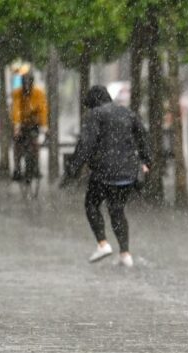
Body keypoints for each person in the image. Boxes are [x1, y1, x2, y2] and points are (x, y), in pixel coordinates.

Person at [61, 86, 151, 268]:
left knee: (91, 204)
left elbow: (86, 144)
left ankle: (102, 244)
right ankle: (125, 254)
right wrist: (146, 161)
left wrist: (72, 170)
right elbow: (142, 135)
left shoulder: (95, 115)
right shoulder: (127, 112)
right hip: (127, 173)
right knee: (117, 209)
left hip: (104, 172)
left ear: (93, 102)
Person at [10, 69, 48, 181]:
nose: (26, 87)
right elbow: (16, 109)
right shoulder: (17, 93)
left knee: (35, 143)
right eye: (24, 84)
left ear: (32, 83)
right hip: (21, 123)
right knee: (17, 144)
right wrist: (17, 126)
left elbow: (43, 110)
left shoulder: (39, 93)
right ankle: (17, 168)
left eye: (29, 83)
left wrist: (44, 127)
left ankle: (35, 167)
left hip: (33, 123)